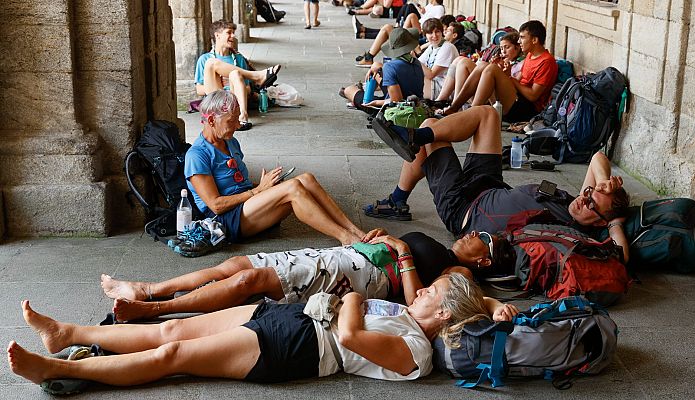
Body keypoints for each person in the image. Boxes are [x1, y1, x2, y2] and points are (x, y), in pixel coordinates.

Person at [9, 274, 520, 387]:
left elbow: (349, 337)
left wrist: (355, 299)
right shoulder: (414, 315)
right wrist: (496, 303)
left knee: (174, 358)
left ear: (446, 315)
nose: (421, 290)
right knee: (171, 332)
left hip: (297, 347)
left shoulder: (417, 352)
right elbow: (470, 300)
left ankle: (53, 369)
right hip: (289, 317)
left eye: (431, 291)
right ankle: (68, 333)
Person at [366, 106, 631, 262]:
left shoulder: (573, 228)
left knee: (431, 127)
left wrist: (615, 222)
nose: (584, 198)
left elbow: (622, 255)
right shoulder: (577, 201)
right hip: (489, 185)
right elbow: (598, 157)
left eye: (591, 203)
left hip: (464, 210)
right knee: (489, 115)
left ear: (599, 222)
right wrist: (605, 183)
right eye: (589, 192)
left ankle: (398, 197)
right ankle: (413, 141)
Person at [100, 227, 515, 321]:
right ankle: (150, 288)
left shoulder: (457, 270)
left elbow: (421, 303)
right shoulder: (446, 249)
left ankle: (153, 309)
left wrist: (404, 252)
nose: (473, 233)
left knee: (250, 282)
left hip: (360, 275)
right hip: (349, 255)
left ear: (484, 261)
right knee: (238, 266)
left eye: (483, 238)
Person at [182, 91, 366, 255]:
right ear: (212, 120)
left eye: (238, 119)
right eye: (231, 121)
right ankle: (346, 238)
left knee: (306, 179)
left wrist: (266, 187)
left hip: (247, 204)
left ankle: (355, 231)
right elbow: (216, 205)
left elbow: (238, 184)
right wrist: (258, 190)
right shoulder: (197, 155)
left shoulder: (230, 142)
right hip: (226, 220)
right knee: (293, 188)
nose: (237, 125)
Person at [443, 20, 556, 123]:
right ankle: (455, 107)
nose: (519, 41)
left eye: (522, 37)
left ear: (535, 40)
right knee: (483, 65)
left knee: (492, 69)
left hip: (527, 110)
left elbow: (533, 96)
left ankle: (471, 115)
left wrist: (510, 79)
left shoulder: (547, 61)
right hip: (515, 98)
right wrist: (507, 75)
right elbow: (519, 81)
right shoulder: (530, 55)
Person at [194, 20, 281, 130]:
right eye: (229, 32)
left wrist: (233, 85)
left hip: (233, 101)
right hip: (216, 101)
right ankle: (257, 76)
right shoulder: (204, 59)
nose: (233, 36)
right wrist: (219, 81)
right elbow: (199, 90)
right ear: (217, 35)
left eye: (233, 33)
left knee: (235, 73)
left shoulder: (238, 58)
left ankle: (242, 117)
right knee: (211, 63)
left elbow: (248, 89)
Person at [340, 28, 424, 108]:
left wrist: (376, 103)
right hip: (417, 103)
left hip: (398, 109)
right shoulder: (416, 62)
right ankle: (363, 91)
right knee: (376, 67)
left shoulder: (390, 67)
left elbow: (396, 101)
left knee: (348, 90)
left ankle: (358, 94)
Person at [435, 30, 523, 103]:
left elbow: (512, 86)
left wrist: (502, 72)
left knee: (464, 62)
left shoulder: (520, 64)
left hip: (497, 98)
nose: (503, 51)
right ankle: (446, 101)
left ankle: (455, 104)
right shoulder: (504, 60)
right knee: (459, 60)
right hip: (487, 91)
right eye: (502, 48)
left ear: (518, 47)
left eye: (507, 47)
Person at [353, 0, 446, 67]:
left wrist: (420, 47)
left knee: (391, 26)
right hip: (421, 35)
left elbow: (437, 26)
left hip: (419, 43)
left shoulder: (439, 9)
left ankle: (368, 56)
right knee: (388, 27)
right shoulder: (430, 6)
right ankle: (368, 55)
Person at [416, 18, 459, 99]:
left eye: (437, 31)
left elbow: (430, 75)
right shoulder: (432, 47)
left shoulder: (447, 47)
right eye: (430, 33)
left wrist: (414, 59)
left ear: (442, 32)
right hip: (433, 84)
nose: (434, 36)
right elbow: (418, 64)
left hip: (444, 90)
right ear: (425, 35)